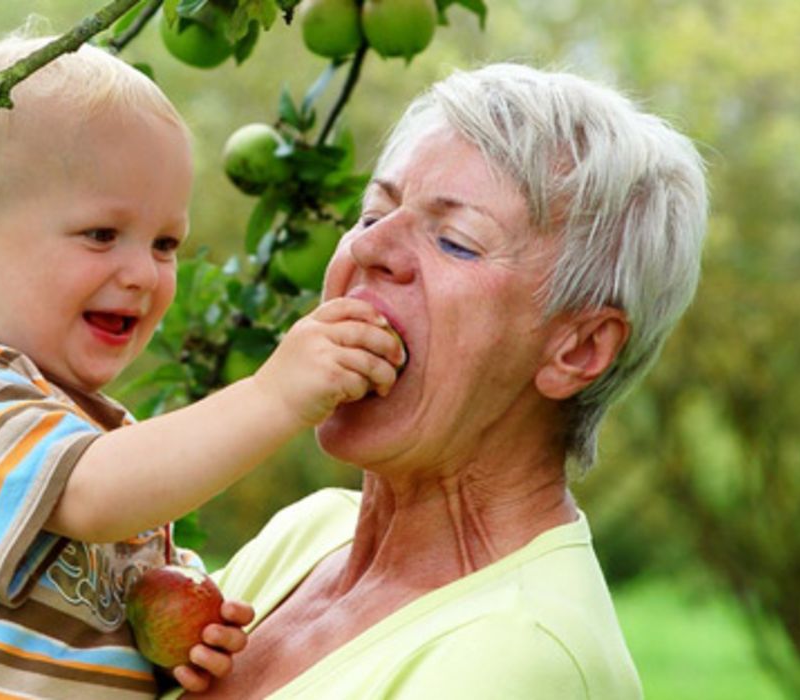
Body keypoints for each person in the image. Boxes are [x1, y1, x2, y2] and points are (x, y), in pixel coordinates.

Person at [0, 35, 406, 700]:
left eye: (164, 243)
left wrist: (179, 648)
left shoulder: (113, 451)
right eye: (100, 235)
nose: (141, 274)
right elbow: (93, 496)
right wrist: (274, 395)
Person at [183, 63, 708, 699]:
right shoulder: (310, 532)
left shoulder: (520, 655)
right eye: (374, 213)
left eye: (456, 242)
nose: (370, 249)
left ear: (578, 349)